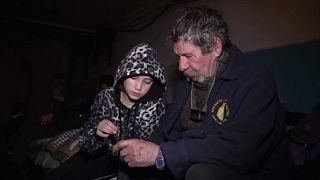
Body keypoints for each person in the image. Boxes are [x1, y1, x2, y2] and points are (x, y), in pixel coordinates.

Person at [112, 7, 293, 180]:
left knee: (201, 174)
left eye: (189, 56)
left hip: (254, 172)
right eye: (179, 57)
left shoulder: (256, 81)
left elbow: (241, 152)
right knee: (129, 166)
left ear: (215, 47)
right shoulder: (189, 80)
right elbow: (167, 130)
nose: (182, 67)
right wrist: (139, 148)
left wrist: (162, 153)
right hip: (194, 156)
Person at [44, 43, 166, 180]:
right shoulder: (105, 97)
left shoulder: (156, 106)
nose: (139, 87)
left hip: (136, 164)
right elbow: (86, 144)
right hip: (103, 156)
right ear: (123, 73)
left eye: (147, 81)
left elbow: (159, 150)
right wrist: (97, 132)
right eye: (134, 77)